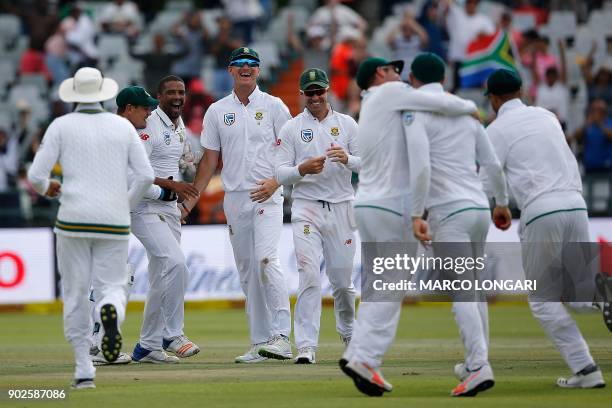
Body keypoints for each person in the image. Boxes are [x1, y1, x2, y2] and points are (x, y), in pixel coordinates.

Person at [337, 57, 478, 397]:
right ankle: (366, 359)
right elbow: (441, 101)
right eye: (394, 70)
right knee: (392, 285)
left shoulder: (371, 105)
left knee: (377, 285)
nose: (401, 76)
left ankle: (356, 352)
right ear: (379, 75)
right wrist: (472, 105)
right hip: (391, 206)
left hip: (368, 205)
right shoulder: (390, 94)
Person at [27, 67, 154, 389]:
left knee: (74, 293)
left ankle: (84, 369)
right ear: (102, 93)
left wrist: (49, 188)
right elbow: (146, 177)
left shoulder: (61, 125)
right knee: (112, 286)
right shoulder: (121, 127)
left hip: (72, 218)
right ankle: (110, 309)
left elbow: (36, 176)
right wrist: (122, 206)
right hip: (112, 220)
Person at [485, 68, 607, 389]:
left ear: (494, 99)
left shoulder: (495, 130)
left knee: (542, 300)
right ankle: (603, 307)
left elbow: (489, 178)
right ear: (522, 89)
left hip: (542, 210)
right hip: (577, 204)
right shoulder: (547, 116)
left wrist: (499, 204)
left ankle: (585, 368)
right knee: (581, 297)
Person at [406, 53, 511, 396]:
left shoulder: (417, 111)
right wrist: (502, 203)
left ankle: (479, 366)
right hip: (479, 209)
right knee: (475, 288)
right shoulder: (466, 109)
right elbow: (492, 164)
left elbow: (421, 168)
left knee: (463, 291)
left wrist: (416, 214)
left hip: (448, 212)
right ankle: (473, 362)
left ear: (413, 80)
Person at [182, 47, 292, 363]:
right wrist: (190, 202)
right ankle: (260, 342)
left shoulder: (274, 106)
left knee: (266, 260)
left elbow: (290, 152)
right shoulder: (217, 111)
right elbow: (209, 161)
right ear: (230, 70)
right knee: (247, 271)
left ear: (258, 71)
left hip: (266, 193)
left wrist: (276, 182)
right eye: (240, 64)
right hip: (235, 199)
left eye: (252, 64)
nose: (246, 68)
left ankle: (282, 336)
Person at [276, 68, 359, 364]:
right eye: (309, 92)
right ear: (301, 94)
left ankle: (349, 336)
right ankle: (307, 346)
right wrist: (302, 169)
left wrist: (348, 159)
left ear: (328, 91)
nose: (314, 97)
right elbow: (280, 172)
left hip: (342, 207)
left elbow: (367, 164)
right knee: (309, 277)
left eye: (319, 91)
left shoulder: (347, 124)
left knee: (342, 282)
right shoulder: (291, 128)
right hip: (306, 207)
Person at [131, 76, 201, 364]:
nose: (176, 97)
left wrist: (184, 170)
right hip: (144, 209)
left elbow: (176, 163)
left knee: (163, 274)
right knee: (175, 264)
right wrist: (169, 190)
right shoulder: (149, 126)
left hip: (168, 211)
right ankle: (172, 334)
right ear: (158, 96)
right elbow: (138, 177)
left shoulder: (178, 124)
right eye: (170, 92)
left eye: (181, 92)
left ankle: (147, 346)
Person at [89, 86, 159, 366]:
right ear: (129, 108)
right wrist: (165, 193)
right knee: (113, 279)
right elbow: (139, 179)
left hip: (87, 209)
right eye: (145, 108)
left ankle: (97, 342)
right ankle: (98, 346)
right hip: (107, 211)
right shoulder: (123, 133)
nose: (150, 112)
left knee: (108, 277)